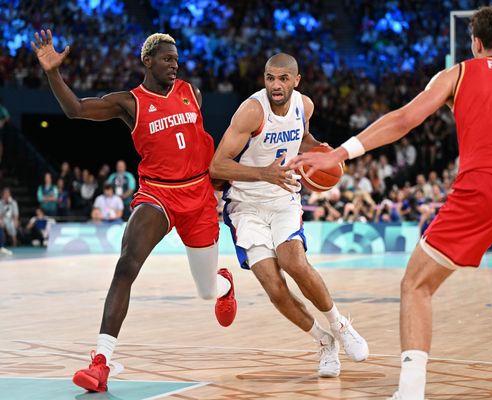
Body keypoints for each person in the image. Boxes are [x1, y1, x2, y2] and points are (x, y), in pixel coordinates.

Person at [289, 6, 492, 399]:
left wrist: (339, 154)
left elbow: (404, 120)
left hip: (485, 186)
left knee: (416, 284)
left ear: (475, 43)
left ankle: (411, 392)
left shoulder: (460, 72)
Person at [31, 30, 237, 393]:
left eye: (176, 59)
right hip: (158, 194)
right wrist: (52, 73)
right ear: (147, 61)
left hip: (199, 196)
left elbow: (200, 146)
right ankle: (101, 362)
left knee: (206, 290)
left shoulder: (193, 93)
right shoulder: (130, 103)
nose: (174, 64)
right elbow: (75, 110)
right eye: (167, 59)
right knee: (126, 265)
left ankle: (224, 284)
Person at [209, 53, 369, 378]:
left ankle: (340, 325)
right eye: (270, 78)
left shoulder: (304, 106)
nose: (276, 85)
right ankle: (324, 342)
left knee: (294, 261)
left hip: (283, 197)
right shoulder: (252, 112)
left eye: (283, 79)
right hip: (245, 204)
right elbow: (217, 166)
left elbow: (301, 137)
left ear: (296, 81)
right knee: (274, 286)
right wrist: (263, 174)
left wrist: (317, 148)